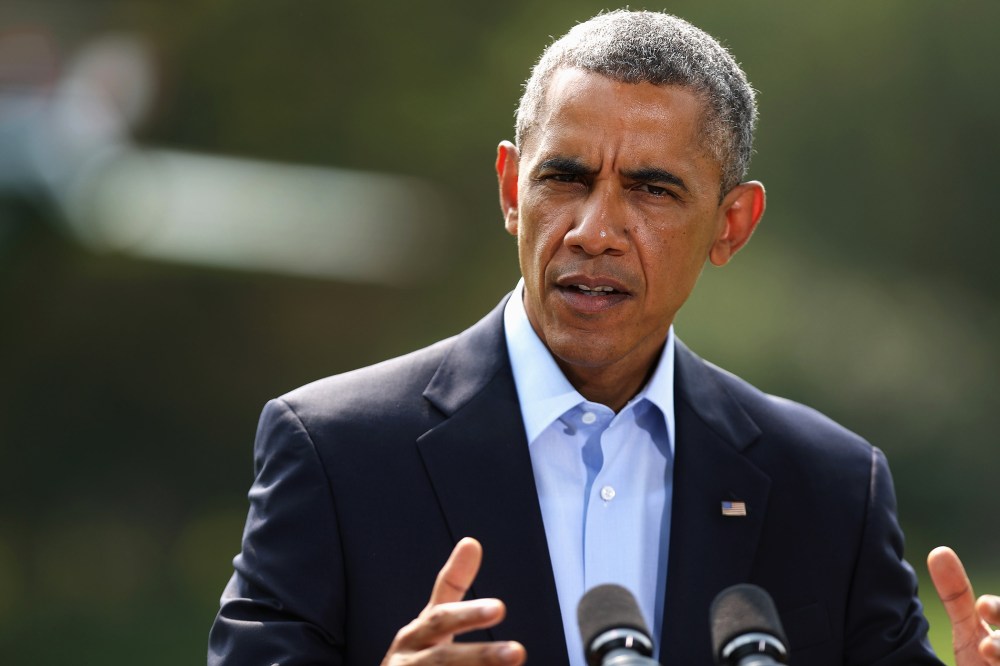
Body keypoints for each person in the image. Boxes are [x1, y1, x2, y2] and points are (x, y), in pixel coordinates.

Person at [208, 10, 999, 666]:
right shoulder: (334, 452)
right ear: (513, 189)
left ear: (732, 225)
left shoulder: (829, 489)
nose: (595, 231)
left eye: (652, 190)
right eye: (567, 178)